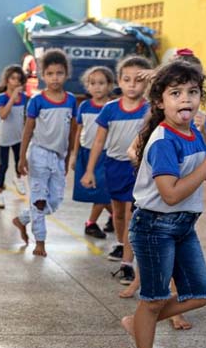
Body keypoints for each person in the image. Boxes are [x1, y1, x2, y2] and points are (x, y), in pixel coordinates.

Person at [120, 60, 206, 348]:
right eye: (176, 93)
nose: (186, 99)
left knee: (199, 294)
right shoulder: (163, 141)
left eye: (192, 92)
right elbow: (170, 194)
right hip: (155, 225)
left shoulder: (194, 133)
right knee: (154, 299)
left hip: (184, 225)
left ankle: (139, 322)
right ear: (160, 102)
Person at [80, 55, 153, 286]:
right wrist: (89, 170)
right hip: (113, 166)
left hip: (138, 169)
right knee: (118, 213)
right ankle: (122, 244)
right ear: (119, 82)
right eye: (127, 79)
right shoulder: (110, 109)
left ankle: (127, 264)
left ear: (147, 83)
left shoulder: (151, 110)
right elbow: (99, 143)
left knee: (133, 214)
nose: (132, 84)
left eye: (139, 79)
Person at [13, 49, 77, 257]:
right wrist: (22, 157)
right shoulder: (37, 101)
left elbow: (72, 131)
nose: (55, 78)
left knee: (56, 200)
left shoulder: (71, 100)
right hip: (38, 154)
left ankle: (22, 219)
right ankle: (40, 241)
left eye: (59, 73)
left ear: (67, 74)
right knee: (39, 199)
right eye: (50, 73)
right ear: (42, 75)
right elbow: (28, 130)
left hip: (59, 156)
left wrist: (69, 157)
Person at [72, 65, 115, 238]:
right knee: (94, 190)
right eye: (92, 83)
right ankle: (115, 215)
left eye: (101, 83)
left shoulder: (112, 107)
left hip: (106, 154)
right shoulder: (84, 106)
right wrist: (75, 155)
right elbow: (78, 131)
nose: (97, 87)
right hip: (85, 153)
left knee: (103, 191)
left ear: (110, 85)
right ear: (87, 86)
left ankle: (91, 223)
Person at [0, 64, 29, 208]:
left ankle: (18, 178)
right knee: (4, 165)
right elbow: (3, 115)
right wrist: (12, 98)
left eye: (19, 79)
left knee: (20, 162)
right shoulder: (2, 97)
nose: (16, 82)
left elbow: (26, 117)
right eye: (13, 78)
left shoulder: (25, 98)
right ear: (7, 80)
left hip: (18, 137)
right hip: (5, 138)